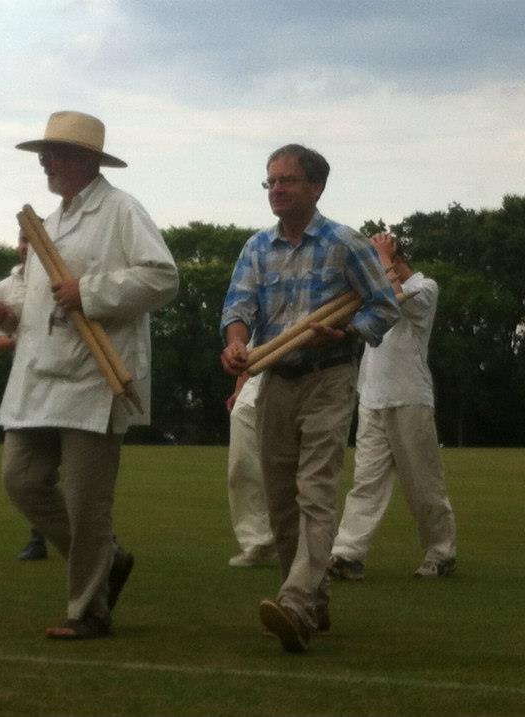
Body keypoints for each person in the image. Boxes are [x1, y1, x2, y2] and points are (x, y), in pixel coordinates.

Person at [0, 111, 179, 639]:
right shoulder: (48, 223)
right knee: (21, 480)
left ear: (86, 159)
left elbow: (163, 278)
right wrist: (10, 315)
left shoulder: (121, 209)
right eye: (44, 154)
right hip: (39, 375)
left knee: (87, 502)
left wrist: (89, 292)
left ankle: (88, 610)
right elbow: (42, 304)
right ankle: (107, 559)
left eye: (56, 153)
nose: (45, 162)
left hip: (96, 377)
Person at [220, 144, 399, 652]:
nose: (276, 189)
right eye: (271, 181)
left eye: (287, 180)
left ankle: (295, 602)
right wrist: (235, 344)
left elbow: (384, 305)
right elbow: (238, 305)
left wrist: (347, 332)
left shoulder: (346, 243)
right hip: (274, 379)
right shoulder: (257, 247)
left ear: (316, 187)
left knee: (314, 491)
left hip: (329, 377)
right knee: (280, 501)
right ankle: (312, 601)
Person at [329, 234, 457, 580]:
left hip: (410, 396)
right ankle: (347, 555)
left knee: (423, 483)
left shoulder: (424, 287)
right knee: (365, 483)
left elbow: (398, 301)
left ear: (396, 258)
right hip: (372, 398)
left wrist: (382, 256)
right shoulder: (374, 291)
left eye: (378, 260)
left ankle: (441, 552)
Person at [0, 231, 48, 561]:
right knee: (26, 471)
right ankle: (38, 537)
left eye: (32, 240)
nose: (26, 247)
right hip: (26, 386)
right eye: (22, 240)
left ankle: (96, 539)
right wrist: (27, 335)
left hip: (65, 383)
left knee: (71, 470)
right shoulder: (5, 287)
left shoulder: (60, 280)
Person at [226, 372, 275, 567]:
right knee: (241, 463)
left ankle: (305, 544)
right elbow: (248, 353)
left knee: (291, 469)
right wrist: (240, 387)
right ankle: (257, 542)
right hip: (254, 384)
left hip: (295, 377)